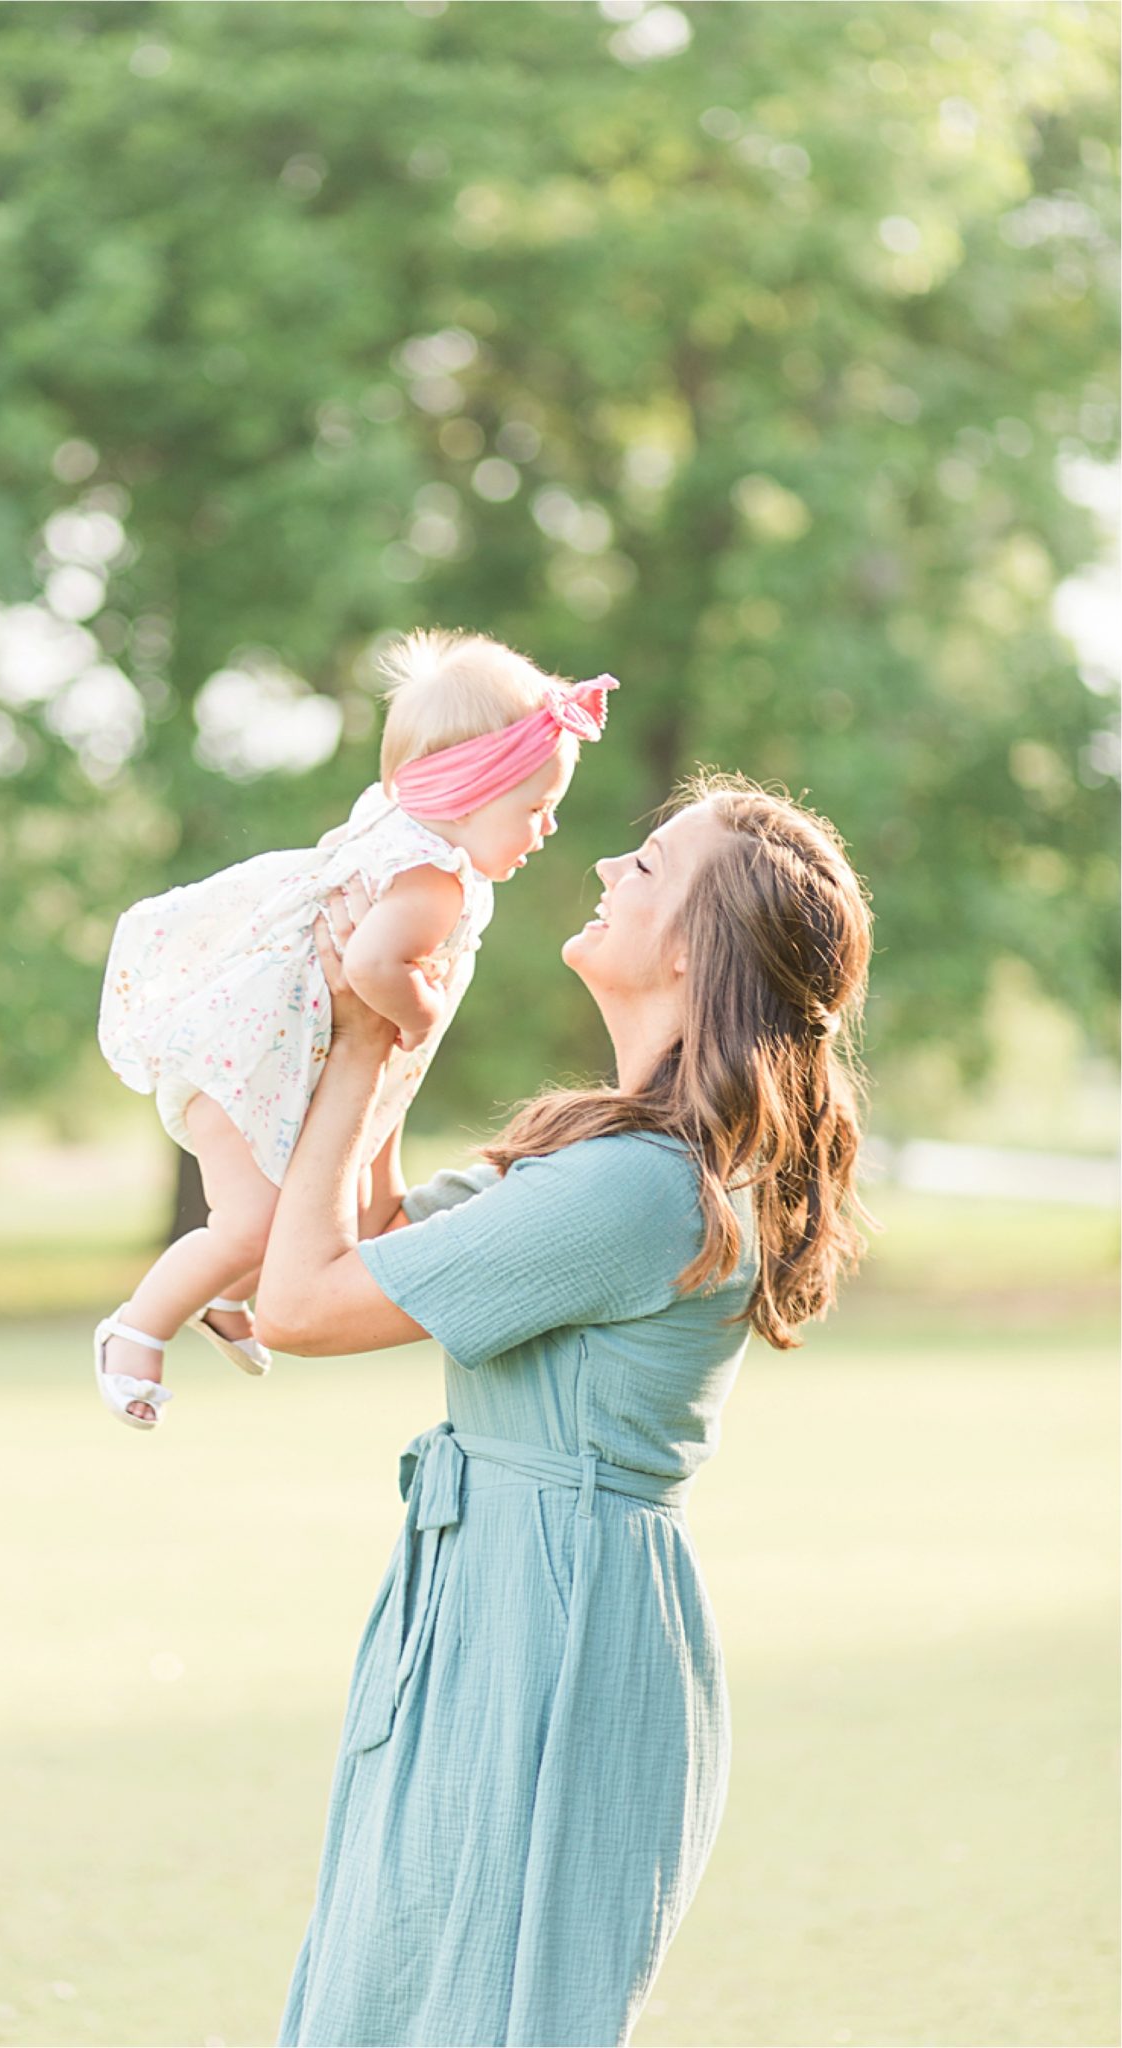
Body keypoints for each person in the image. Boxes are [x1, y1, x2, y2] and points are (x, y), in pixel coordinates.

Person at [253, 770, 874, 2048]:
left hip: (561, 1618)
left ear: (698, 948)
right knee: (397, 1985)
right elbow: (369, 1237)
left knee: (481, 2006)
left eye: (644, 866)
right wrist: (401, 1038)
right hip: (498, 1589)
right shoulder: (604, 1152)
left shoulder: (642, 1191)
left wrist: (369, 1041)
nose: (602, 868)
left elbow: (305, 1306)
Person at [90, 629, 618, 1425]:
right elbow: (371, 967)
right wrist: (423, 1010)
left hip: (264, 1055)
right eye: (536, 809)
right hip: (243, 1059)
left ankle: (223, 1300)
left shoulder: (403, 835)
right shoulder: (431, 880)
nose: (545, 830)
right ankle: (135, 1331)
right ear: (468, 796)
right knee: (255, 1222)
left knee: (294, 1208)